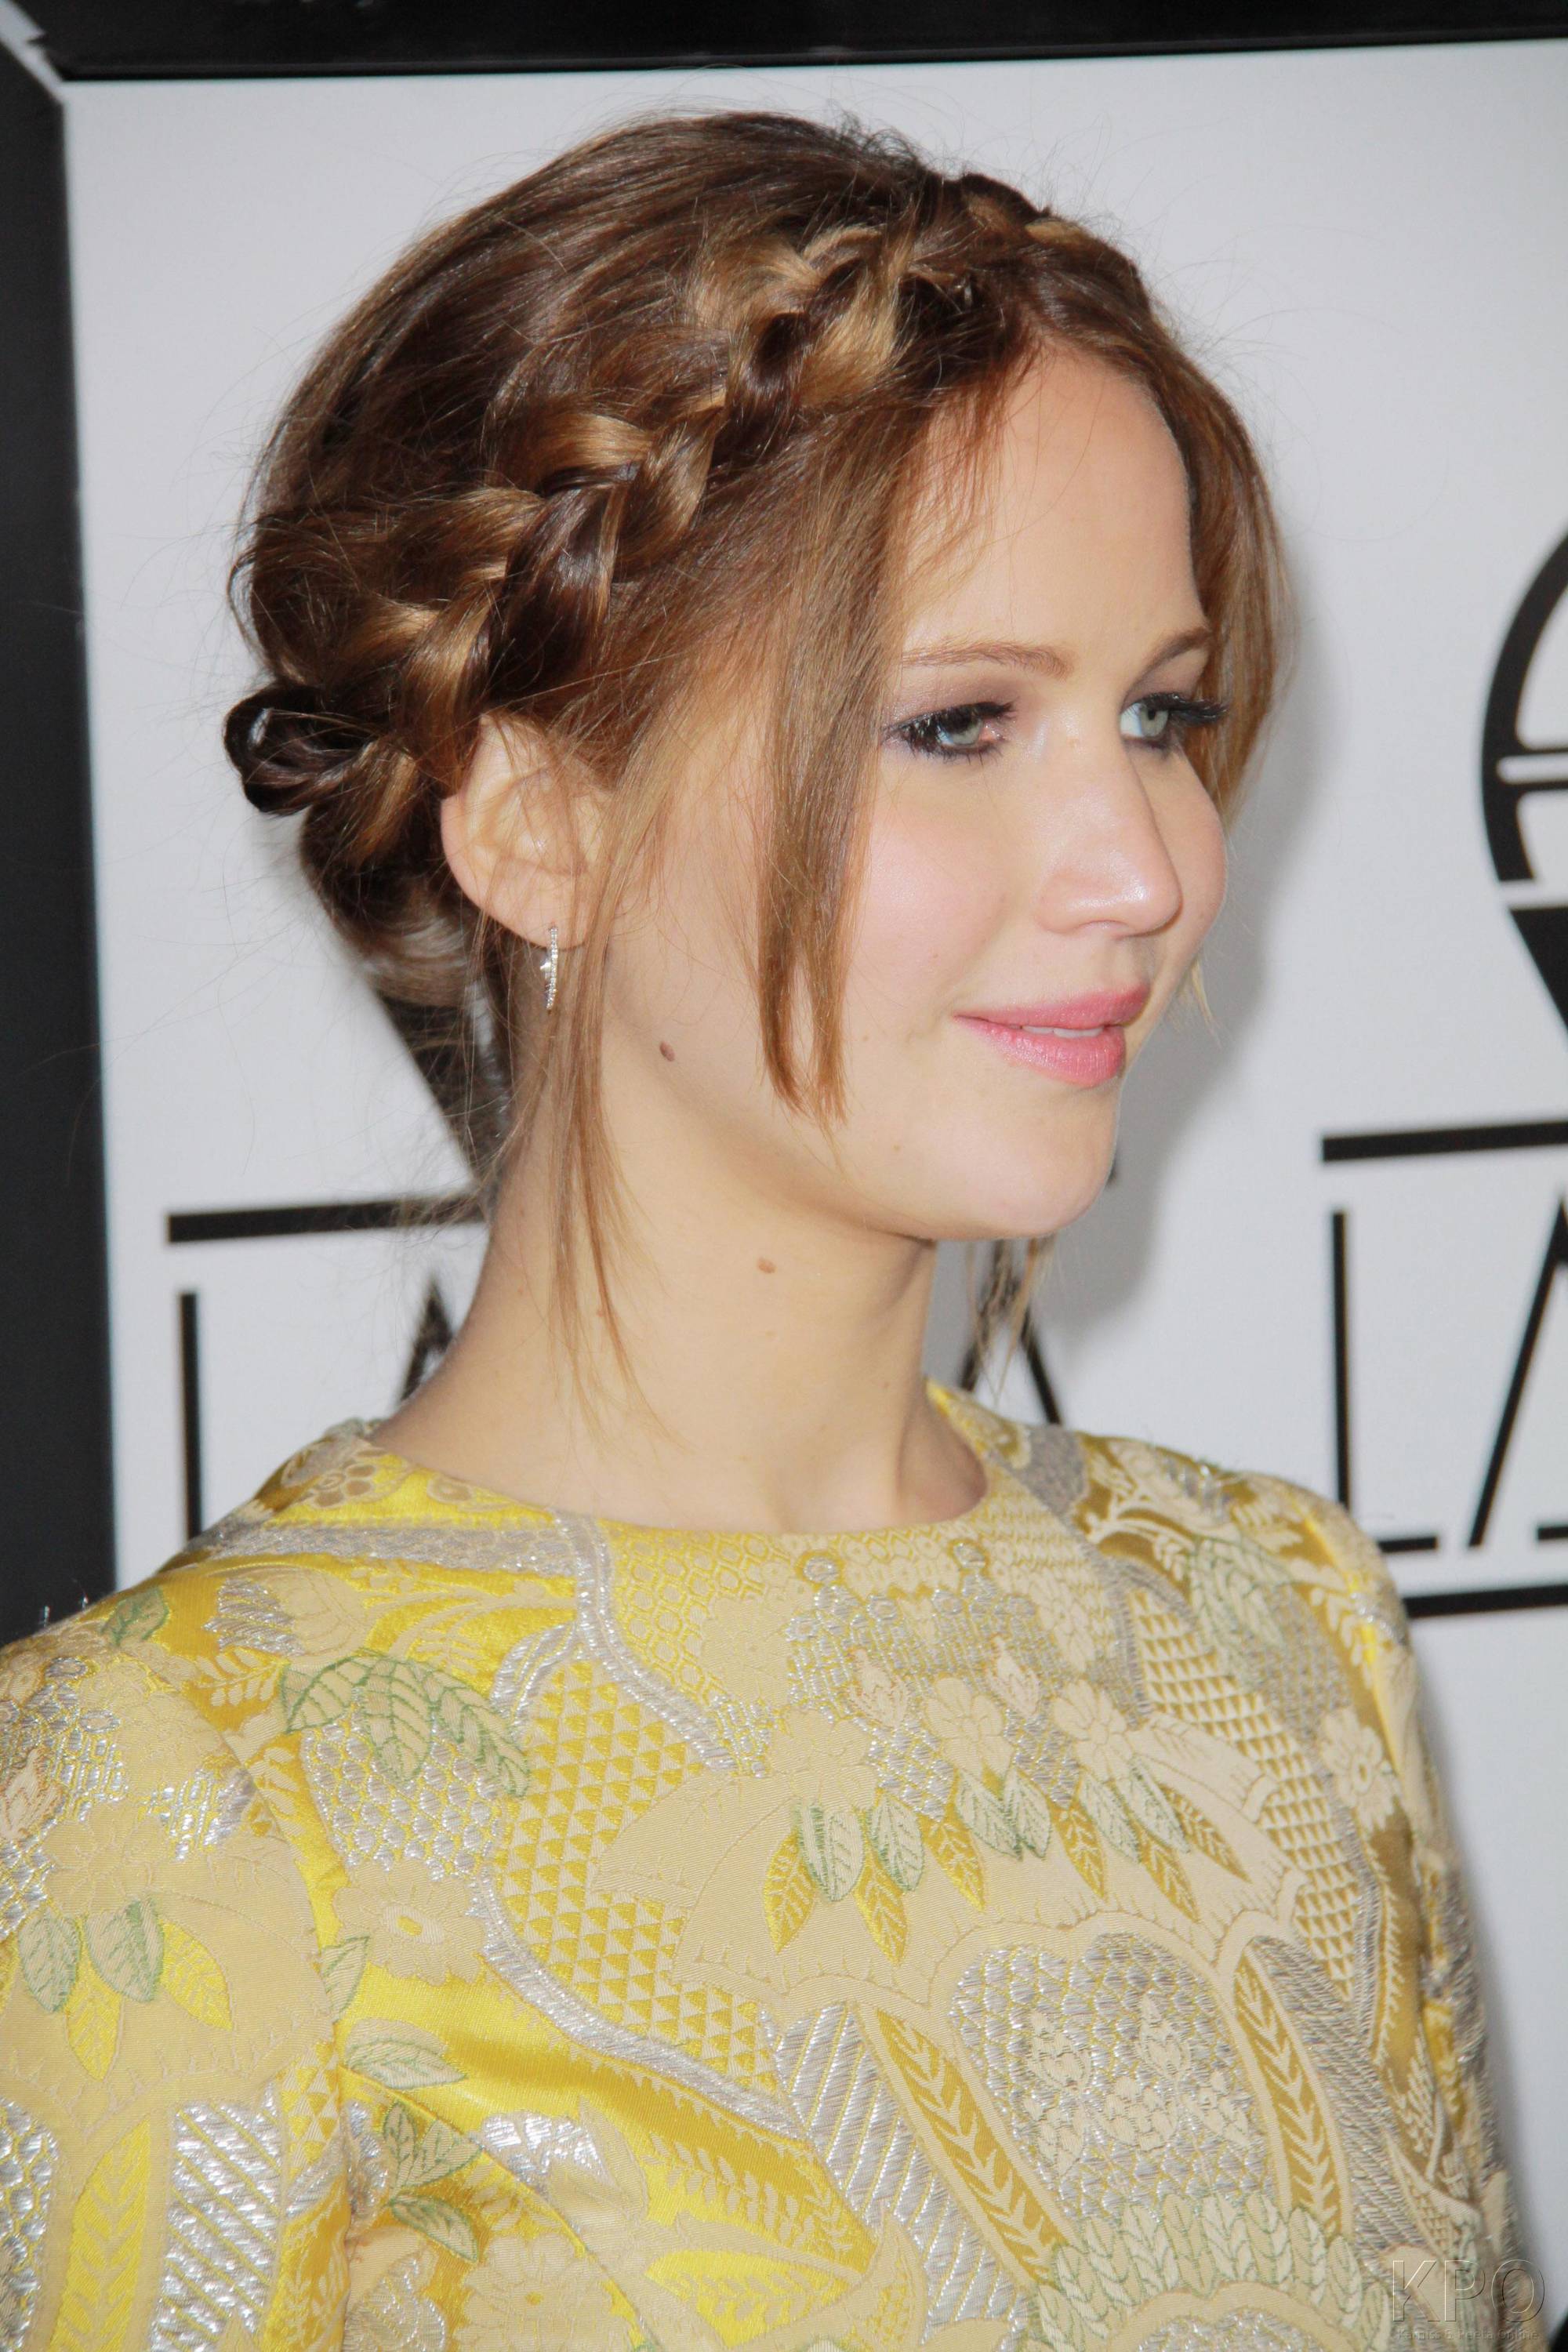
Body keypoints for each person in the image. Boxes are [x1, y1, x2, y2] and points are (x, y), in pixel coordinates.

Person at [0, 110, 1539, 2352]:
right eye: (961, 724)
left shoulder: (1283, 1634)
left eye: (1162, 713)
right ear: (538, 817)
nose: (1143, 865)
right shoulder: (183, 1791)